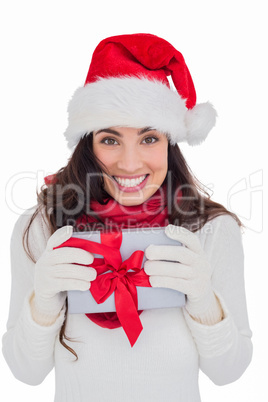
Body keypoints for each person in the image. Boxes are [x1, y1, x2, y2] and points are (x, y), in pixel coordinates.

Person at [2, 33, 253, 402]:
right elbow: (26, 373)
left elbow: (229, 373)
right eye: (110, 139)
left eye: (149, 139)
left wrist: (203, 300)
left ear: (171, 142)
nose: (130, 163)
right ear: (88, 143)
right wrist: (42, 303)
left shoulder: (211, 230)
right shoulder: (42, 225)